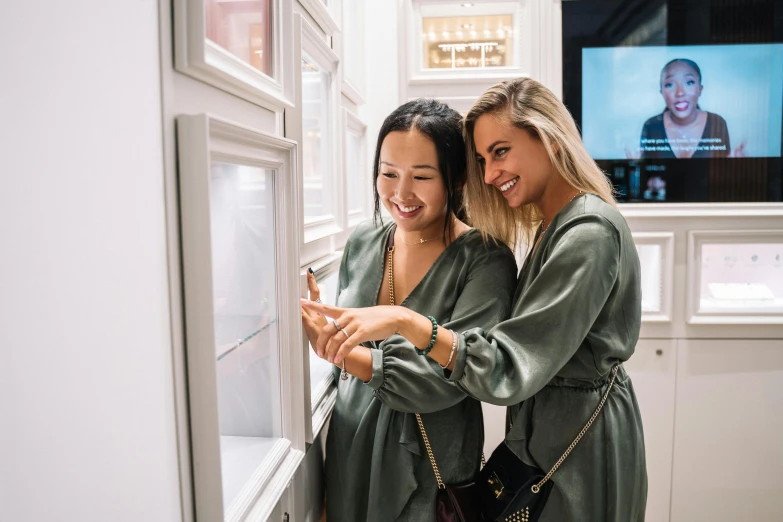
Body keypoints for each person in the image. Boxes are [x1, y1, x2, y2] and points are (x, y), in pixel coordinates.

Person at [304, 78, 648, 521]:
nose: (488, 175)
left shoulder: (586, 233)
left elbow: (506, 366)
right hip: (537, 439)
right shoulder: (553, 225)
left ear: (547, 136)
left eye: (500, 152)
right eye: (482, 159)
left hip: (576, 444)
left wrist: (404, 322)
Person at [301, 99, 517, 522]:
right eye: (388, 173)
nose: (400, 194)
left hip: (429, 466)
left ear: (455, 180)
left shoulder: (485, 259)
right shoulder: (364, 242)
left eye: (421, 176)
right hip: (350, 450)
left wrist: (341, 351)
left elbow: (451, 377)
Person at [634, 58, 744, 159]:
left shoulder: (717, 123)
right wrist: (639, 171)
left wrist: (735, 167)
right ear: (661, 92)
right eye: (669, 85)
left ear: (700, 89)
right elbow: (647, 173)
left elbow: (720, 172)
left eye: (689, 82)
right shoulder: (652, 126)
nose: (680, 92)